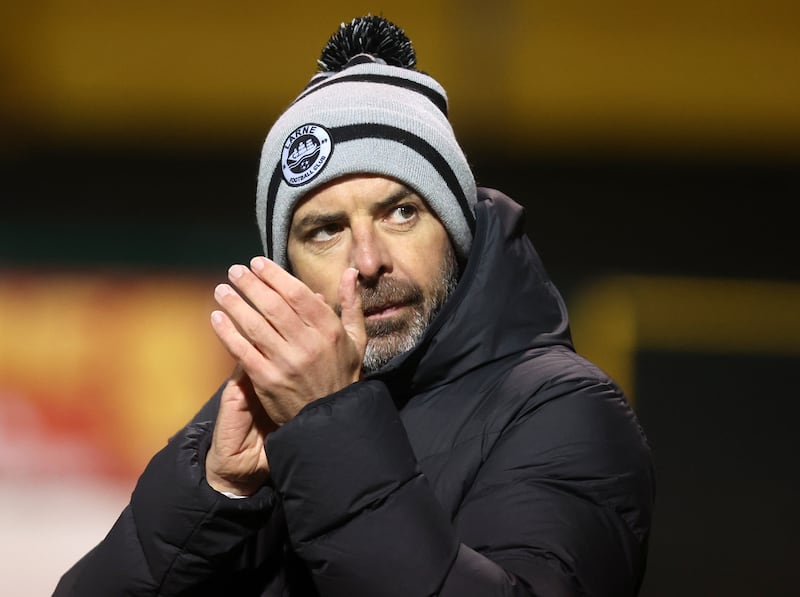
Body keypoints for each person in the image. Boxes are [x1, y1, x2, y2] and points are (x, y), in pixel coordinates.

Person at [54, 15, 654, 597]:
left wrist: (329, 428)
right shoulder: (265, 412)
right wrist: (217, 496)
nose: (367, 262)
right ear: (288, 267)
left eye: (401, 212)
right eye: (325, 230)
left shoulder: (566, 410)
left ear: (457, 226)